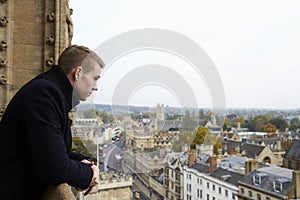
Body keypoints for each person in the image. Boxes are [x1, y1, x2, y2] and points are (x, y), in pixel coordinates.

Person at [0, 45, 105, 199]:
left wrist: (87, 163)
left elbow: (55, 151)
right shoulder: (44, 94)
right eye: (95, 79)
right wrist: (88, 174)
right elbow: (54, 168)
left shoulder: (51, 93)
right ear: (78, 73)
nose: (96, 87)